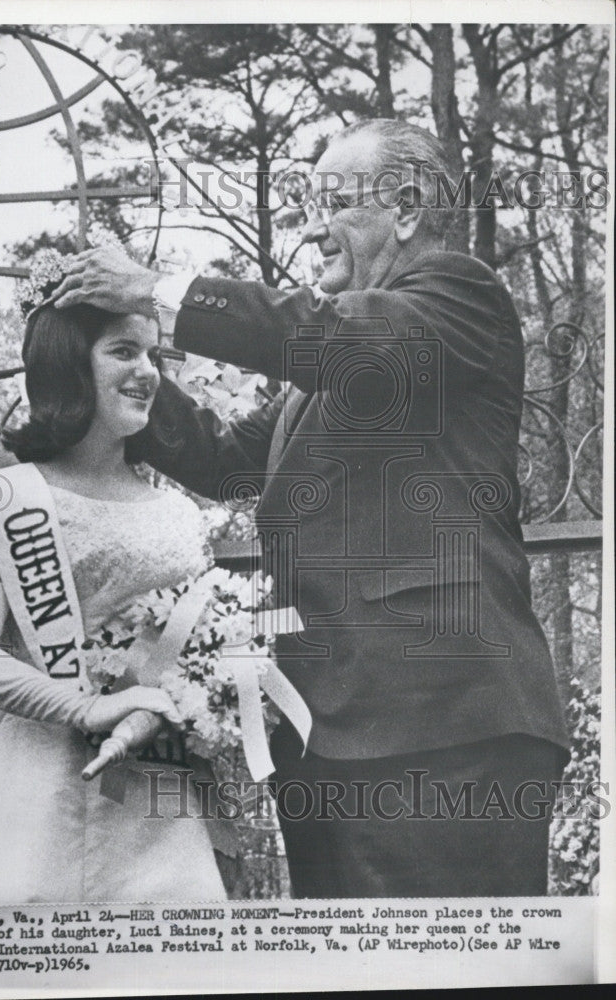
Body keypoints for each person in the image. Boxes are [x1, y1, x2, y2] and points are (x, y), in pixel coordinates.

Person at [52, 119, 570, 898]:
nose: (306, 228)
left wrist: (152, 288)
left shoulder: (458, 296)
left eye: (328, 202)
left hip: (444, 729)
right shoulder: (320, 373)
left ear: (404, 205)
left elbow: (336, 338)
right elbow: (221, 458)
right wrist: (112, 363)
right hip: (329, 738)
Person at [0, 290, 227, 904]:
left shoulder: (179, 511)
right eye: (123, 351)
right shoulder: (2, 498)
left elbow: (206, 642)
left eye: (153, 354)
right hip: (38, 790)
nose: (147, 371)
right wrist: (82, 708)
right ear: (69, 364)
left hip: (158, 801)